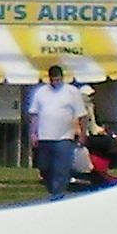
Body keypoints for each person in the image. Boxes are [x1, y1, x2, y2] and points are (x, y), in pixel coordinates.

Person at [25, 62, 86, 197]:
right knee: (45, 167)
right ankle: (52, 189)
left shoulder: (71, 92)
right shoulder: (41, 92)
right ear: (49, 79)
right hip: (44, 136)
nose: (56, 82)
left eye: (58, 79)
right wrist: (33, 133)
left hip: (64, 137)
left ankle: (58, 193)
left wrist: (82, 134)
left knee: (61, 168)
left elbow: (82, 115)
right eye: (53, 80)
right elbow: (34, 114)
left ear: (62, 78)